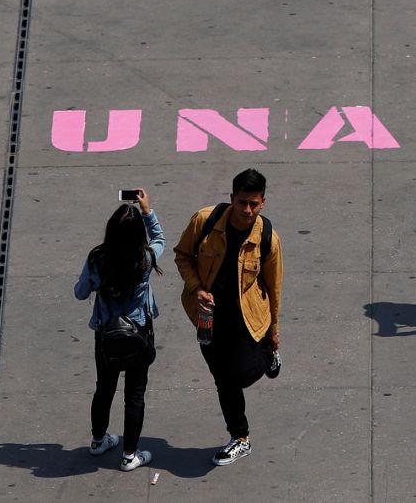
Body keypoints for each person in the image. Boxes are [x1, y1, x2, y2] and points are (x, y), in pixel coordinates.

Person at [174, 168, 283, 466]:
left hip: (247, 317)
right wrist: (196, 288)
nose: (247, 210)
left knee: (241, 374)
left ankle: (268, 356)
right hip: (206, 316)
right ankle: (240, 437)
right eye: (242, 202)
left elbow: (274, 288)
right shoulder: (204, 221)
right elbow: (182, 255)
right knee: (222, 378)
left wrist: (274, 333)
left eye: (254, 204)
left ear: (263, 203)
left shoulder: (268, 240)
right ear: (232, 198)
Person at [74, 189, 165, 471]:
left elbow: (80, 292)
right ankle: (129, 454)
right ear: (139, 236)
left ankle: (99, 440)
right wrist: (147, 211)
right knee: (134, 394)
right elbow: (160, 239)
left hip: (106, 335)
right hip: (138, 334)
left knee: (105, 387)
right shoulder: (146, 259)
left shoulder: (98, 259)